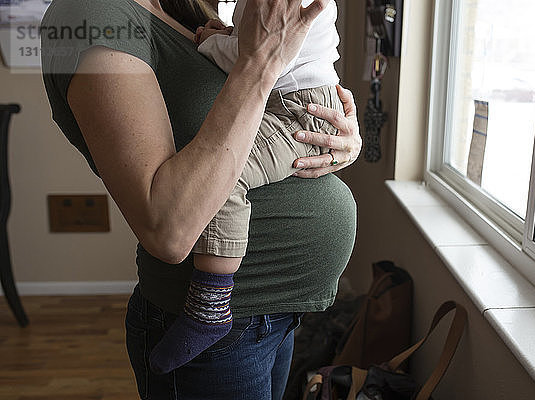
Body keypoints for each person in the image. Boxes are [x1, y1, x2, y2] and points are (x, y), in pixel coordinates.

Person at [40, 0, 361, 398]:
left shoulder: (187, 9)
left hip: (274, 314)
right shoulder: (89, 16)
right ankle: (209, 307)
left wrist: (339, 138)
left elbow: (257, 114)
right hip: (219, 331)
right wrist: (259, 62)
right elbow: (167, 231)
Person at [148, 0, 345, 374]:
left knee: (225, 177)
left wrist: (209, 42)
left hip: (299, 109)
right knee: (217, 171)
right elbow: (255, 50)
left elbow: (260, 57)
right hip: (293, 103)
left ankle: (210, 305)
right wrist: (225, 37)